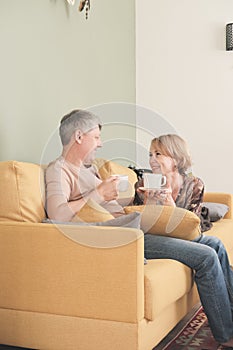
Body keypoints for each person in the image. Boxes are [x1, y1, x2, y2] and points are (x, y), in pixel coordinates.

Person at [135, 134, 233, 347]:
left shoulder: (193, 185)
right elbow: (136, 222)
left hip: (181, 235)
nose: (152, 159)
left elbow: (192, 229)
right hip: (150, 237)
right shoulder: (143, 183)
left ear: (176, 159)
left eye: (158, 154)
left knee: (216, 244)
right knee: (207, 255)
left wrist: (170, 205)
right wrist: (149, 203)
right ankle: (226, 335)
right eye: (150, 154)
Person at [45, 109, 125, 222]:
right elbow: (58, 215)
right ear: (79, 137)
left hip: (128, 226)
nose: (100, 144)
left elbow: (105, 205)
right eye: (96, 137)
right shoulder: (59, 169)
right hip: (120, 233)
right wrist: (100, 193)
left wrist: (137, 198)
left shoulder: (90, 168)